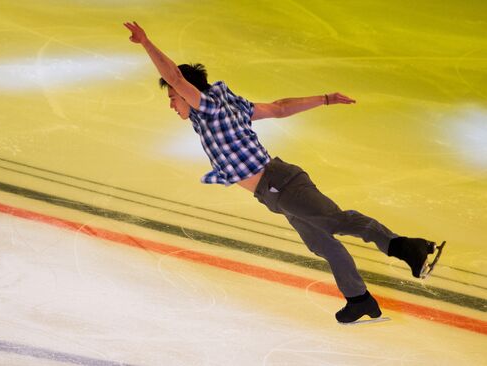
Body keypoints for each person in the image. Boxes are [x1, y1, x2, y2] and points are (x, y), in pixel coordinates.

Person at [123, 21, 444, 323]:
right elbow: (278, 108)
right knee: (323, 243)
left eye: (173, 98)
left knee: (336, 221)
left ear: (188, 93)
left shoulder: (209, 106)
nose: (171, 104)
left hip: (280, 184)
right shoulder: (225, 105)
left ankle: (407, 247)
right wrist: (326, 98)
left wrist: (147, 43)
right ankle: (359, 299)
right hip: (275, 190)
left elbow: (177, 78)